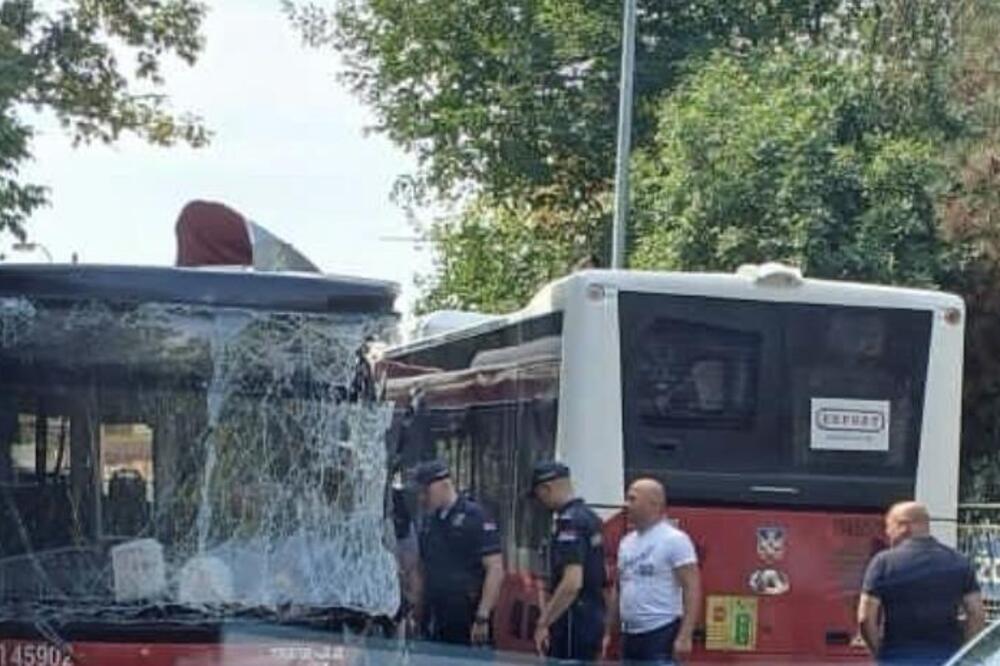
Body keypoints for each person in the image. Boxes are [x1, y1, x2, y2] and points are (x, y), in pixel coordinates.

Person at [857, 501, 986, 665]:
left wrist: (880, 654)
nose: (887, 533)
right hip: (946, 658)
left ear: (904, 526)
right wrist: (964, 655)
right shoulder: (958, 561)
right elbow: (976, 614)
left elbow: (865, 617)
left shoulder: (883, 563)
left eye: (889, 526)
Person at [605, 478, 700, 665]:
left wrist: (685, 635)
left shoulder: (675, 540)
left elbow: (692, 587)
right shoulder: (626, 542)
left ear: (654, 503)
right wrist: (609, 630)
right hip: (629, 634)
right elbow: (620, 586)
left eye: (632, 499)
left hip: (660, 631)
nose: (626, 505)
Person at [411, 460, 504, 646]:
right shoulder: (429, 522)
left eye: (425, 491)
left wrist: (482, 617)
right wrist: (416, 612)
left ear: (443, 484)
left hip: (466, 617)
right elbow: (421, 568)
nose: (422, 498)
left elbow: (495, 569)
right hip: (435, 615)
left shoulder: (475, 517)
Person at [530, 461, 606, 661]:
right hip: (592, 615)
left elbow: (572, 582)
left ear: (546, 489)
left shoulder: (569, 523)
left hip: (573, 620)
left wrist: (544, 622)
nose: (539, 502)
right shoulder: (590, 517)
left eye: (538, 495)